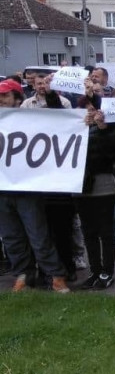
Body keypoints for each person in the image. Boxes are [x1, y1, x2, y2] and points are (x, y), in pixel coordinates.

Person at [0, 80, 71, 293]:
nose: (0, 101)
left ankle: (55, 275)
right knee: (12, 237)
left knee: (38, 235)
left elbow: (59, 121)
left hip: (27, 188)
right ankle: (24, 275)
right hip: (3, 189)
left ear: (17, 98)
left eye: (4, 96)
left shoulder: (33, 119)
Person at [76, 93, 115, 290]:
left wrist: (102, 129)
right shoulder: (75, 129)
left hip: (103, 184)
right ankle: (95, 270)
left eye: (93, 109)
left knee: (105, 230)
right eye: (85, 109)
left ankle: (107, 271)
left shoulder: (109, 129)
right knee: (89, 231)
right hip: (79, 186)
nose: (89, 113)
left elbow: (112, 152)